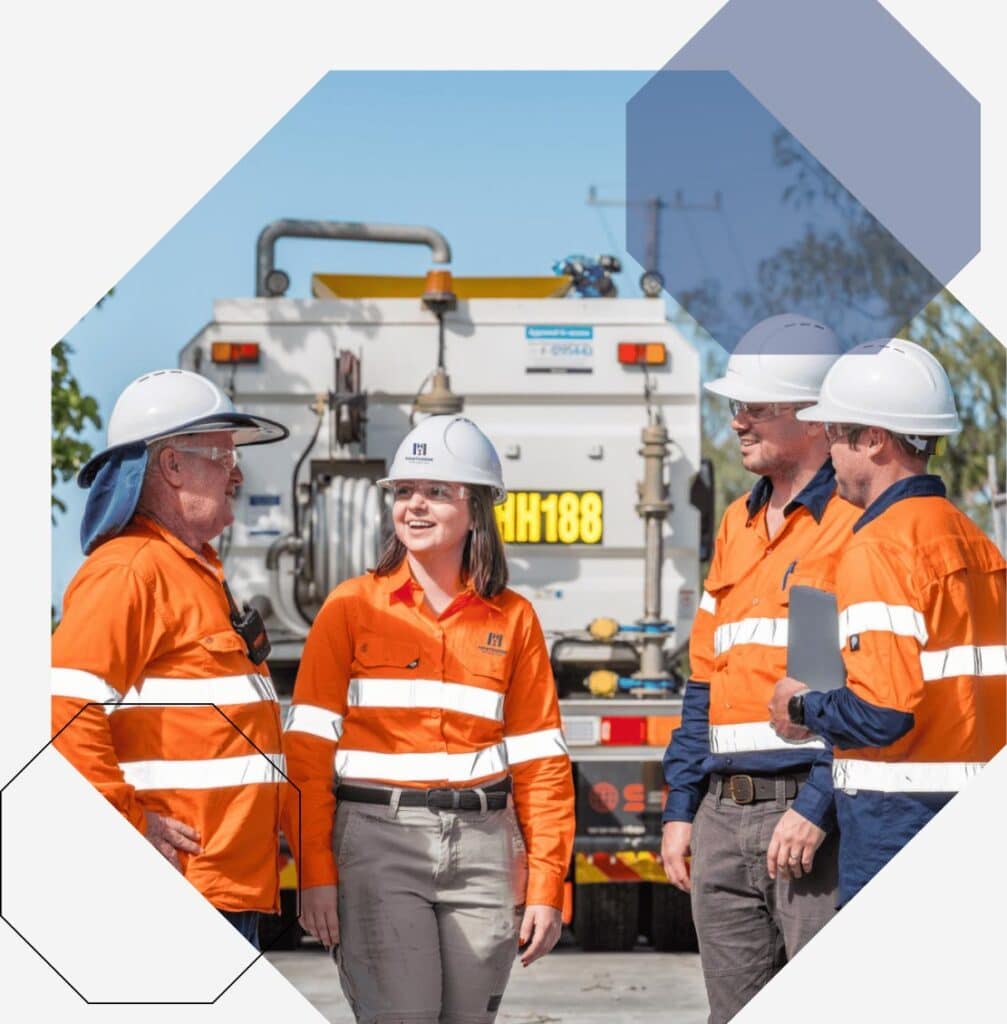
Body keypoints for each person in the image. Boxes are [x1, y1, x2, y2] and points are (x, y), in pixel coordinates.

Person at [284, 414, 575, 1024]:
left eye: (438, 491)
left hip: (486, 852)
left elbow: (541, 763)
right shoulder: (348, 609)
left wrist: (548, 885)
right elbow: (306, 756)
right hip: (377, 844)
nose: (415, 506)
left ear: (477, 511)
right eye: (404, 491)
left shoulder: (513, 618)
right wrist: (315, 871)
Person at [660, 314, 859, 1024]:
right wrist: (682, 808)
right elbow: (704, 681)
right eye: (734, 407)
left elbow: (865, 688)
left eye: (756, 408)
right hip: (723, 814)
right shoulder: (737, 524)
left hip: (809, 817)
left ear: (813, 420)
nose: (737, 422)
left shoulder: (848, 522)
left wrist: (815, 806)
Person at [51, 368, 290, 946]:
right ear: (172, 466)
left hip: (221, 884)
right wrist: (130, 828)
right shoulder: (129, 571)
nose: (237, 472)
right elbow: (57, 714)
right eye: (222, 454)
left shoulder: (193, 571)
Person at [769, 338, 1006, 904]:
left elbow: (884, 714)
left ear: (873, 439)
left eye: (834, 435)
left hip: (895, 823)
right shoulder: (979, 544)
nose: (829, 454)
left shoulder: (878, 546)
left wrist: (800, 706)